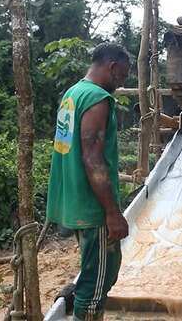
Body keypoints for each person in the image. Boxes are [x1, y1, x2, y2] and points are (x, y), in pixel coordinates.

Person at [46, 42, 130, 321]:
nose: (120, 84)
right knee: (96, 284)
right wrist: (112, 213)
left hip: (74, 200)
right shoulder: (96, 98)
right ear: (113, 67)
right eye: (122, 77)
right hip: (93, 208)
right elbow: (92, 158)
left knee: (100, 270)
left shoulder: (73, 93)